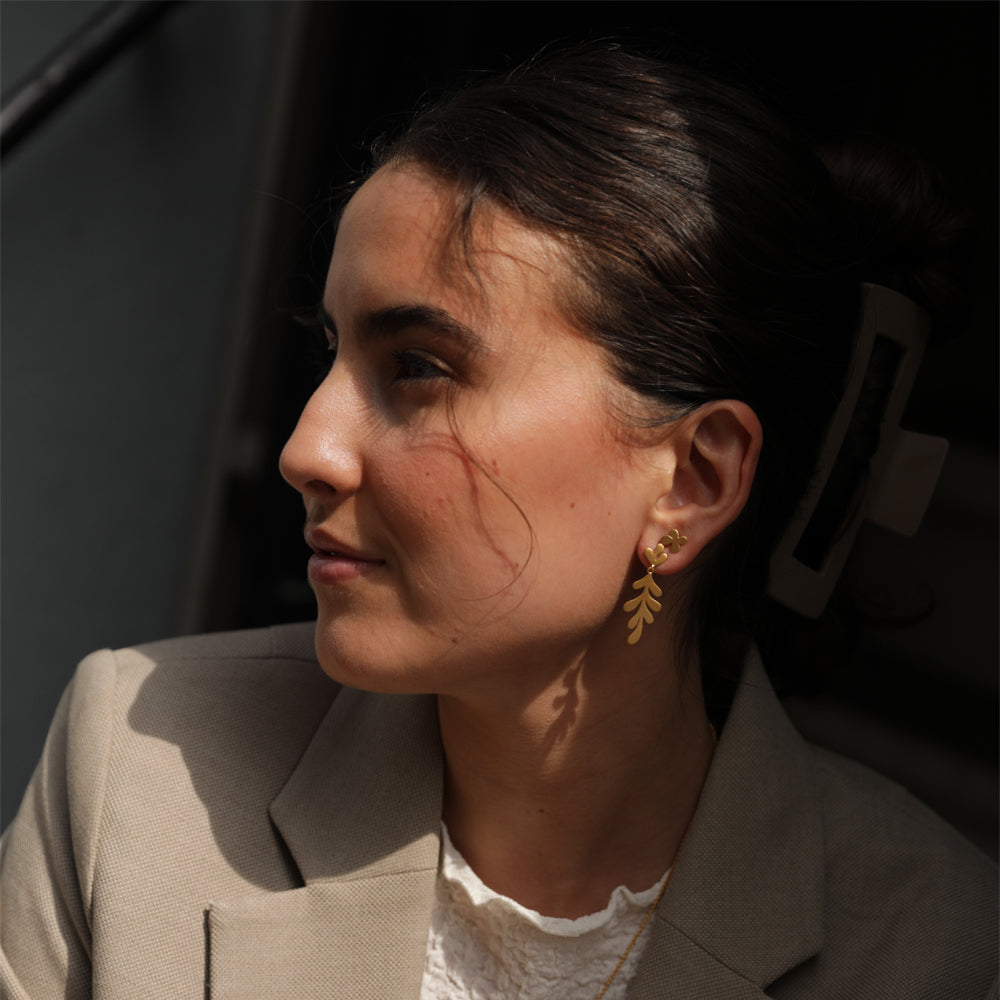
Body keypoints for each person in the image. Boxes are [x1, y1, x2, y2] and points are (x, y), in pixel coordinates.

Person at [1, 44, 995, 1000]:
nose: (307, 449)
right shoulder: (137, 767)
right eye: (329, 352)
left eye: (418, 368)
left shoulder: (936, 950)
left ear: (692, 480)